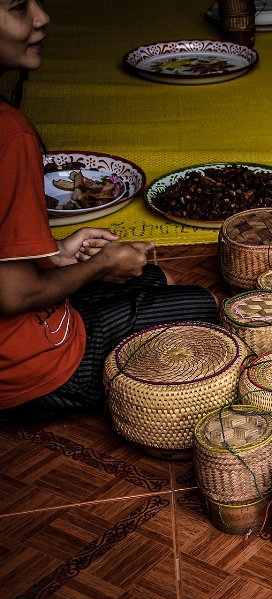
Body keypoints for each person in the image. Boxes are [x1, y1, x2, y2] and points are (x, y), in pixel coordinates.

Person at [0, 0, 218, 423]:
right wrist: (99, 266)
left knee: (158, 277)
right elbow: (13, 295)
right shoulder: (9, 135)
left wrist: (55, 253)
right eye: (18, 7)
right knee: (201, 306)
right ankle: (71, 385)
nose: (41, 17)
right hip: (27, 370)